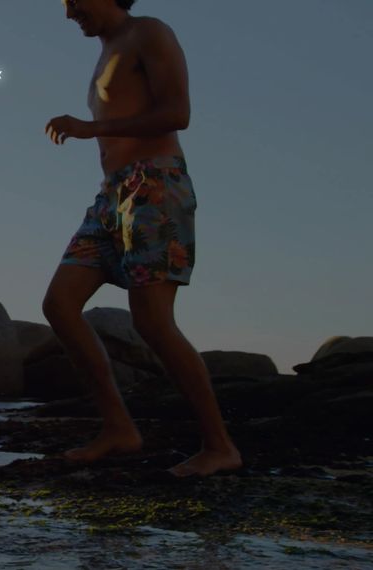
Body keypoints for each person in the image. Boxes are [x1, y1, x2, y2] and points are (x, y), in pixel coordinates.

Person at [42, 0, 242, 477]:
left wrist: (91, 128)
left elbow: (177, 112)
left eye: (72, 1)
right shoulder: (105, 50)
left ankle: (220, 446)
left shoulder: (149, 32)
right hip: (111, 196)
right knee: (60, 305)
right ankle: (119, 429)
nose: (68, 13)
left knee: (152, 322)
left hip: (155, 185)